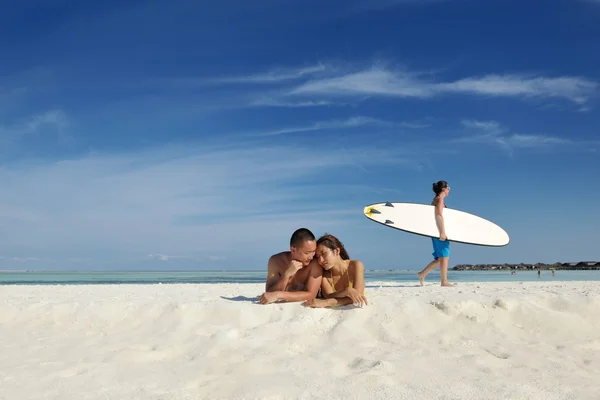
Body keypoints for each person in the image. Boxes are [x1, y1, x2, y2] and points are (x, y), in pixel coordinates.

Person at [258, 228, 323, 304]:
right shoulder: (275, 261)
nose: (311, 257)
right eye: (307, 253)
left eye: (313, 251)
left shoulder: (314, 263)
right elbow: (269, 293)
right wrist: (286, 275)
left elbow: (311, 295)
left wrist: (279, 294)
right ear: (293, 249)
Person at [303, 233, 368, 308]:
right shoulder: (325, 275)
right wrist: (346, 291)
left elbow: (358, 296)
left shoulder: (356, 265)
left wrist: (326, 302)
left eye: (323, 254)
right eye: (317, 257)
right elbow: (328, 295)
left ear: (336, 251)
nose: (320, 260)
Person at [417, 180, 455, 287]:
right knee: (445, 256)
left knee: (440, 258)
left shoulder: (437, 199)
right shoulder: (439, 200)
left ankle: (422, 273)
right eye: (448, 188)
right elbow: (438, 215)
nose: (449, 190)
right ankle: (444, 282)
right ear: (443, 189)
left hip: (436, 231)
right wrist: (442, 232)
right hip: (439, 232)